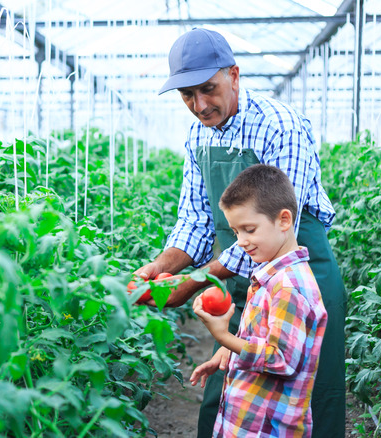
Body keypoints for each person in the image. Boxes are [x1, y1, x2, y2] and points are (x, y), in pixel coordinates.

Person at [133, 28, 346, 437]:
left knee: (308, 402)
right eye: (187, 96)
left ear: (233, 74)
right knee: (231, 393)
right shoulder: (198, 134)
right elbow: (195, 220)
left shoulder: (279, 126)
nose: (200, 105)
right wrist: (159, 269)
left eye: (208, 89)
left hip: (301, 282)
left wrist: (199, 279)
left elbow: (281, 225)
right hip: (247, 283)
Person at [190, 164, 327, 436]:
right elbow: (264, 337)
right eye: (236, 232)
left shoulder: (289, 287)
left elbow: (281, 359)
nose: (241, 241)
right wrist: (228, 352)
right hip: (249, 422)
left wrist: (224, 336)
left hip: (268, 428)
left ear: (284, 220)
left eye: (249, 229)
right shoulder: (271, 275)